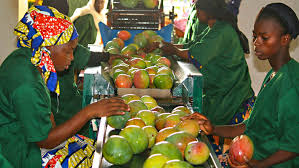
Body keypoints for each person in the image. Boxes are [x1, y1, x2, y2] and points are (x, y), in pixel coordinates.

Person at [0, 5, 128, 168]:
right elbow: (45, 140)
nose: (72, 58)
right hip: (18, 151)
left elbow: (45, 117)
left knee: (90, 146)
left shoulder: (30, 58)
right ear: (47, 47)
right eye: (68, 51)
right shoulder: (27, 85)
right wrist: (89, 112)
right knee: (88, 157)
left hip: (23, 137)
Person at [184, 2, 299, 167]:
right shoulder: (274, 75)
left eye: (264, 37)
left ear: (285, 39)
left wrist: (259, 165)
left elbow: (294, 145)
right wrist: (213, 128)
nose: (256, 43)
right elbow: (249, 127)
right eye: (254, 36)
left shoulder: (291, 83)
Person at [160, 0, 254, 126]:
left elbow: (195, 53)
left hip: (233, 94)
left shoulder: (222, 31)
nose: (197, 13)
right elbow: (192, 46)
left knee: (216, 127)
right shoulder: (213, 28)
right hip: (220, 91)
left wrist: (173, 50)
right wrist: (167, 46)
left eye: (199, 10)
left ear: (209, 12)